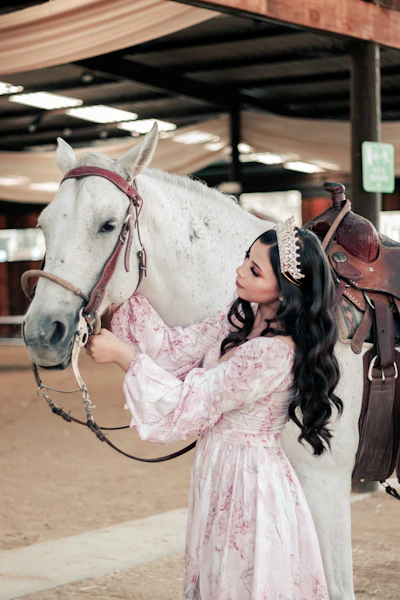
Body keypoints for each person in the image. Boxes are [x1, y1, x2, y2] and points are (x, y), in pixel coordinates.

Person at [86, 216, 341, 600]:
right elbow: (174, 349)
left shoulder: (271, 354)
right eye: (245, 259)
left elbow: (190, 403)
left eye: (254, 270)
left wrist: (123, 356)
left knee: (244, 578)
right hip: (220, 470)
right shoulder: (240, 319)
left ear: (285, 291)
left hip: (251, 484)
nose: (239, 271)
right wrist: (121, 296)